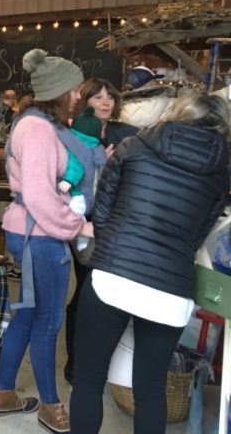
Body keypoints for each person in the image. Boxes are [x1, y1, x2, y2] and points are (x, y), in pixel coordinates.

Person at [70, 93, 230, 434]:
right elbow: (199, 233)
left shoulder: (134, 145)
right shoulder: (221, 171)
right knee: (151, 392)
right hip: (170, 290)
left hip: (113, 275)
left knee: (88, 382)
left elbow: (101, 212)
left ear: (178, 112)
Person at [0, 48, 93, 434]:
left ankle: (3, 394)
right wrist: (75, 225)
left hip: (29, 230)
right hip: (40, 233)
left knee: (29, 316)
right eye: (77, 89)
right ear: (59, 90)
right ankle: (51, 406)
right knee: (49, 323)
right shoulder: (37, 129)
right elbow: (37, 193)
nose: (80, 95)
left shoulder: (36, 124)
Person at [63, 78, 138, 384]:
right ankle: (76, 364)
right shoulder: (72, 134)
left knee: (106, 290)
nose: (106, 102)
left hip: (115, 219)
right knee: (86, 287)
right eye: (98, 97)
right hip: (82, 218)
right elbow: (65, 175)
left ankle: (97, 363)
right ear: (85, 101)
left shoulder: (127, 135)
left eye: (110, 96)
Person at [119, 65, 176, 129]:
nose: (157, 83)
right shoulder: (172, 103)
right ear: (150, 83)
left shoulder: (119, 112)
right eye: (155, 80)